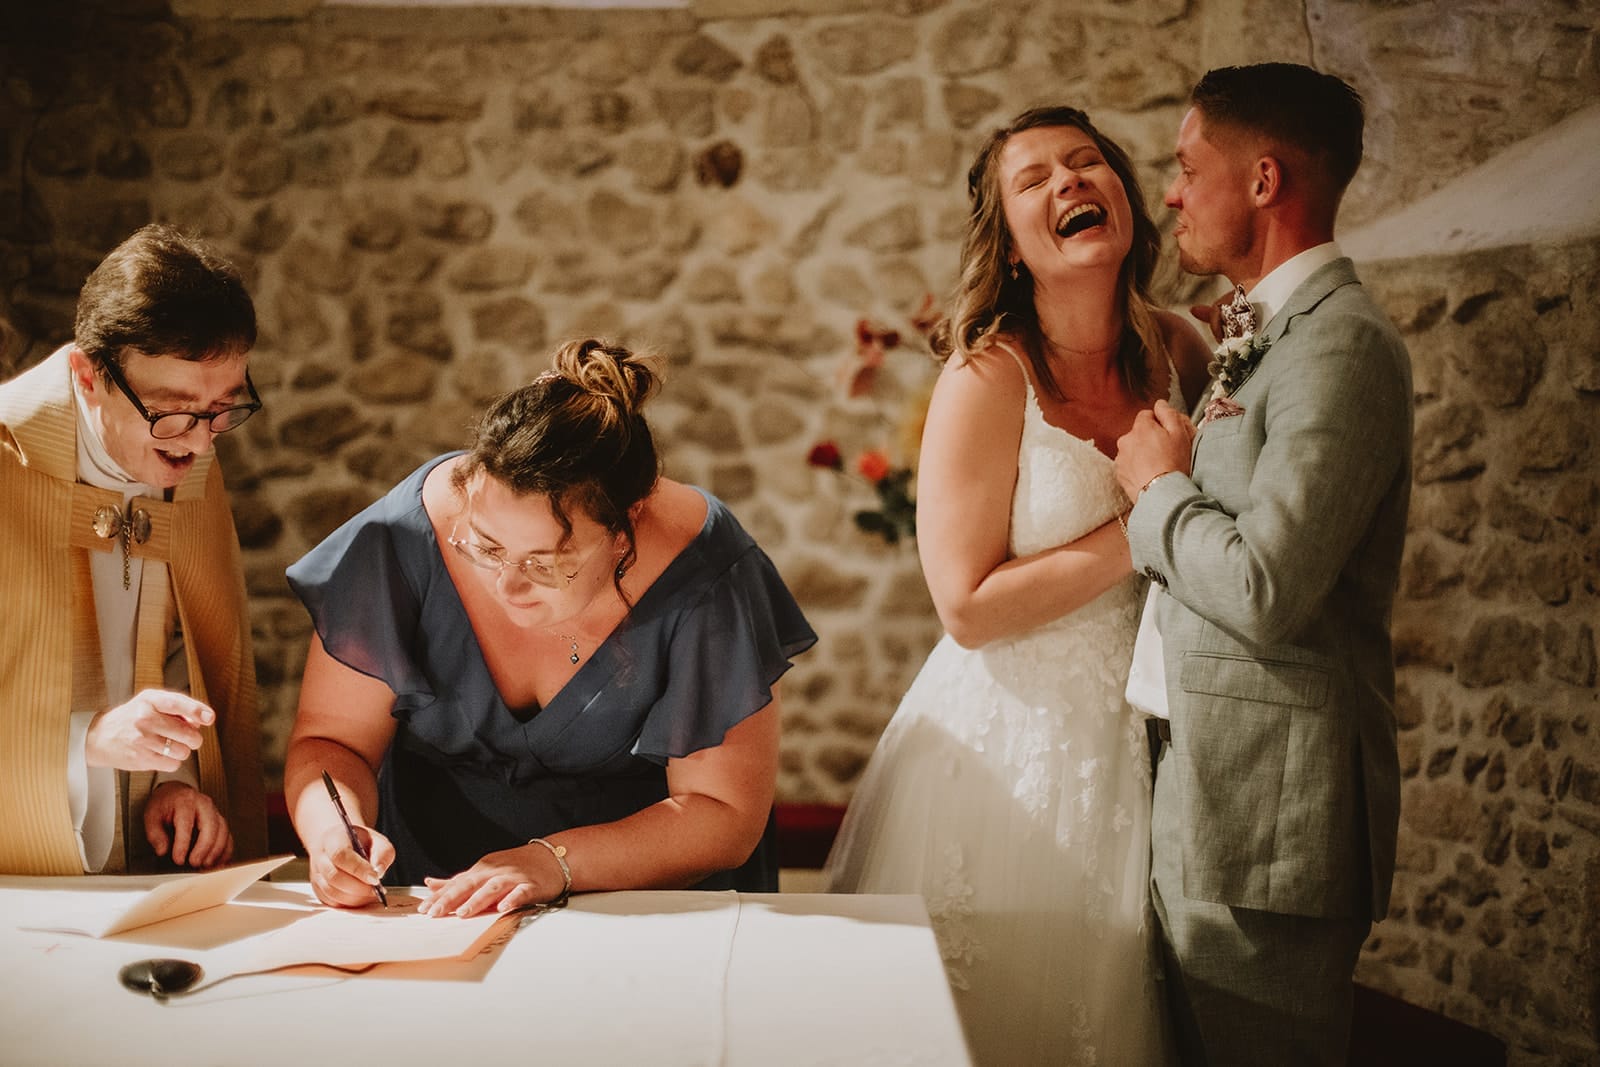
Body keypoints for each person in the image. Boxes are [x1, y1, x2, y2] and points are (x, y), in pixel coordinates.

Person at [822, 106, 1211, 1065]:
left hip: (1151, 735)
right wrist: (1148, 512)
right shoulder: (987, 378)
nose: (1070, 182)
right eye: (1034, 179)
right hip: (1006, 750)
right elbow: (965, 607)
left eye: (1088, 164)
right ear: (1011, 246)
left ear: (1126, 197)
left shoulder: (1183, 353)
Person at [284, 338, 816, 915]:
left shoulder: (706, 573)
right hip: (436, 895)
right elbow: (332, 741)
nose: (506, 585)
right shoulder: (401, 540)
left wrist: (550, 862)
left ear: (626, 526)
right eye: (484, 547)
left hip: (645, 901)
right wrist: (330, 830)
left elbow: (721, 813)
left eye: (546, 562)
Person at [1114, 64, 1411, 1067]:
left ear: (1263, 180)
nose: (1168, 192)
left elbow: (1265, 585)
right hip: (1203, 782)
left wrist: (1156, 486)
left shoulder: (1341, 349)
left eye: (1187, 166)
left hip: (1266, 825)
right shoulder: (1268, 334)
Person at [0, 223, 268, 875]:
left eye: (224, 408)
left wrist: (174, 776)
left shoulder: (188, 457)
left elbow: (182, 644)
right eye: (171, 409)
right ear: (87, 377)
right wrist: (86, 742)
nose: (201, 443)